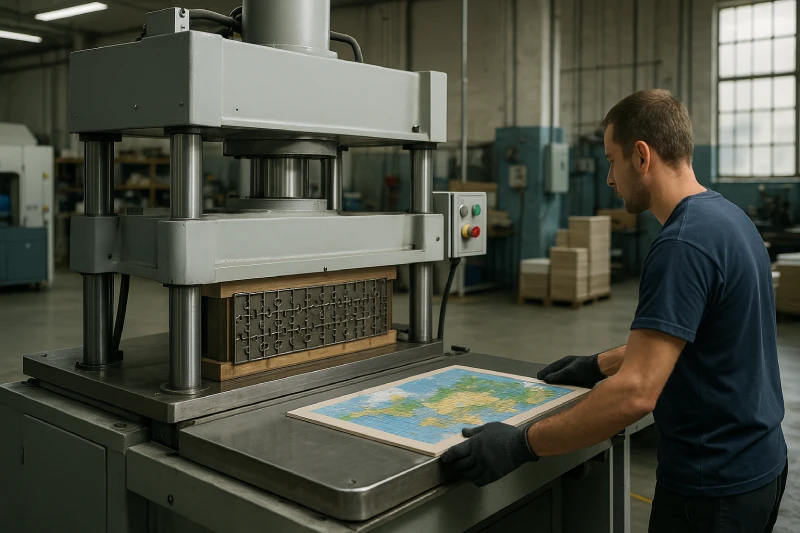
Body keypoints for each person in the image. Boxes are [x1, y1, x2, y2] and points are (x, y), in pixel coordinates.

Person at [441, 89, 788, 533]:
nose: (609, 178)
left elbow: (637, 394)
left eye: (611, 160)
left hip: (712, 489)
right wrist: (597, 364)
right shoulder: (730, 220)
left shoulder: (681, 245)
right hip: (761, 467)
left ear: (641, 156)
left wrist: (518, 444)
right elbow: (697, 337)